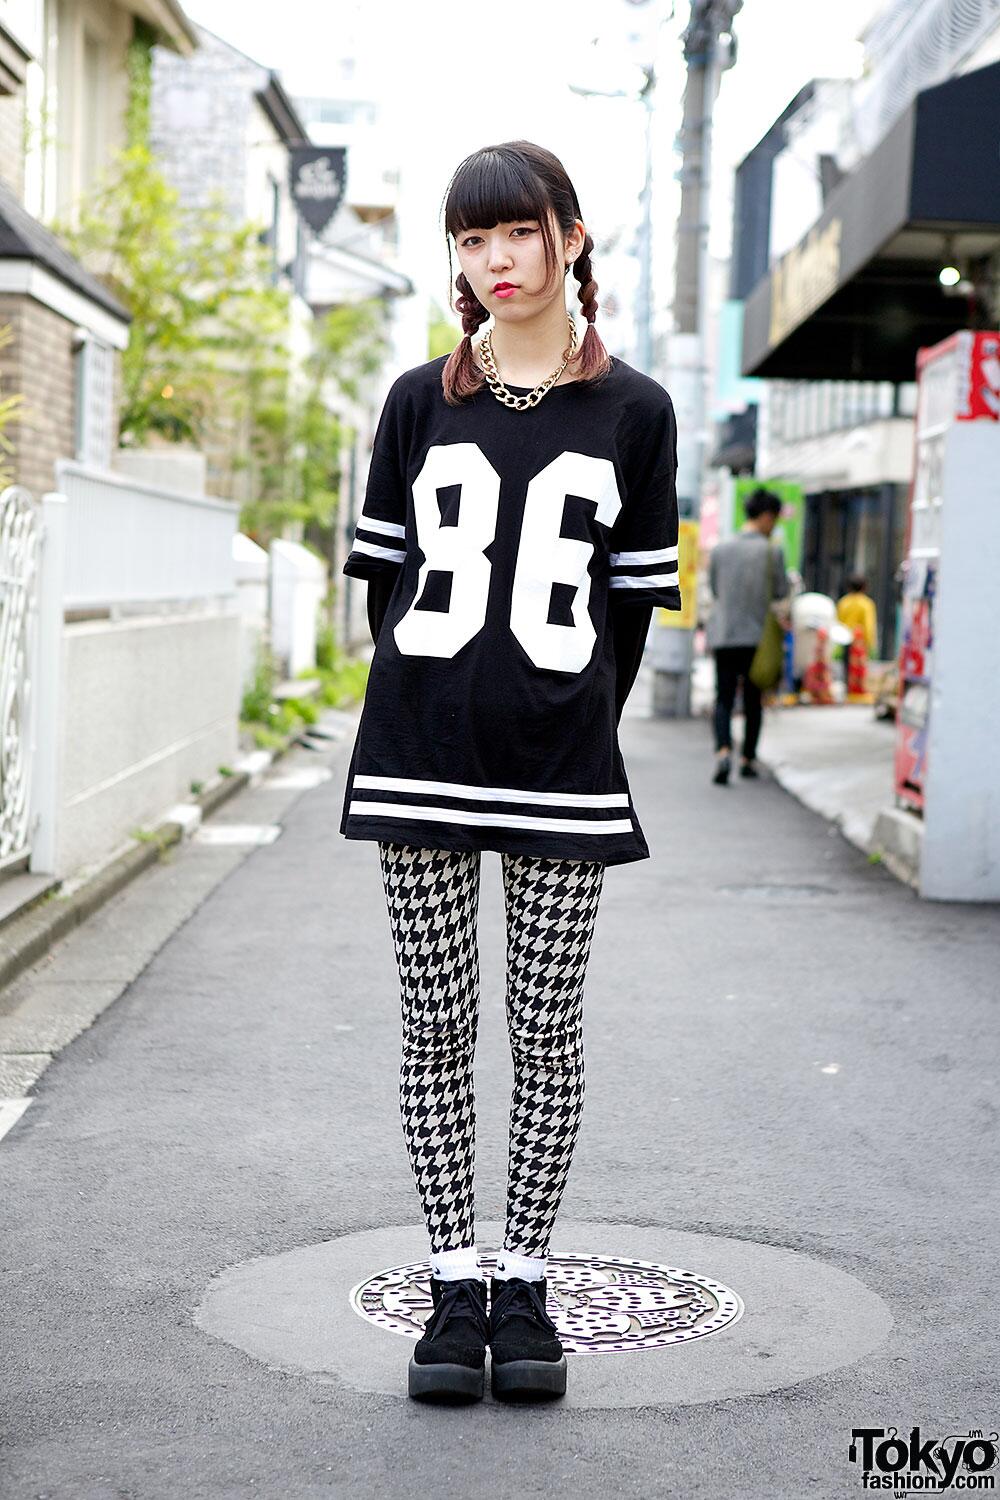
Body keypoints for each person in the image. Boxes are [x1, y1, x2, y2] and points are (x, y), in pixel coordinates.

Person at [340, 140, 682, 1405]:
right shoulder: (414, 402)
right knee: (436, 1031)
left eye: (518, 233)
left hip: (560, 769)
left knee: (545, 1031)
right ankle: (451, 1289)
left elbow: (628, 610)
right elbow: (384, 592)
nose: (494, 259)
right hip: (419, 764)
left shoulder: (635, 410)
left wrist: (569, 714)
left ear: (569, 239)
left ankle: (524, 1286)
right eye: (472, 239)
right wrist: (433, 701)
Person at [706, 487, 789, 785]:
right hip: (757, 639)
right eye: (774, 520)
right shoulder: (771, 551)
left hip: (724, 634)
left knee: (724, 698)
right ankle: (747, 759)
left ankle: (723, 751)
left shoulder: (720, 549)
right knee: (753, 700)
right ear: (766, 517)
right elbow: (780, 591)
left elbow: (715, 589)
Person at [836, 572, 878, 658]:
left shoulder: (843, 602)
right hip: (859, 644)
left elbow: (838, 623)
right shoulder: (866, 604)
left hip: (844, 643)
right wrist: (871, 645)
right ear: (864, 587)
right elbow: (869, 626)